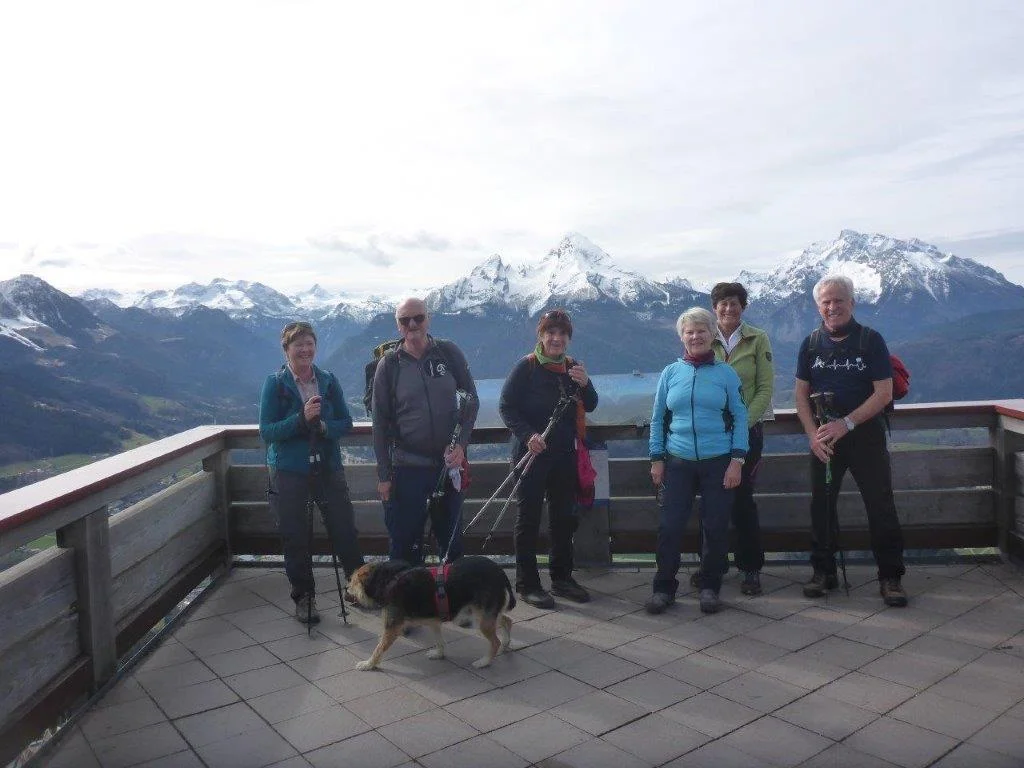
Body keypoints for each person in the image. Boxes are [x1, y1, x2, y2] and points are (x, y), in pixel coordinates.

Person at [795, 275, 907, 607]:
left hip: (865, 436)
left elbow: (884, 393)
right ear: (819, 306)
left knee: (880, 505)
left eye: (839, 300)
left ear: (852, 303)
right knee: (821, 506)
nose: (833, 307)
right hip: (824, 438)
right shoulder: (811, 343)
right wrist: (811, 436)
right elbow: (800, 395)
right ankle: (823, 572)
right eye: (826, 302)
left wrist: (846, 423)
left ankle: (891, 577)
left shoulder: (870, 341)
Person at [259, 321, 364, 624]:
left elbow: (346, 422)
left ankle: (358, 589)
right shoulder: (275, 384)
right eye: (298, 345)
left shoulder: (328, 381)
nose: (305, 350)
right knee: (295, 536)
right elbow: (267, 431)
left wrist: (324, 427)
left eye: (309, 344)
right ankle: (304, 598)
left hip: (327, 467)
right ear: (286, 349)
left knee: (344, 530)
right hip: (290, 471)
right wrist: (301, 420)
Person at [647, 307, 748, 615]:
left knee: (716, 526)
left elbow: (740, 417)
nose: (695, 336)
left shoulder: (726, 374)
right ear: (682, 337)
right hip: (677, 460)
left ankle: (710, 586)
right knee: (670, 527)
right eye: (689, 332)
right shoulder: (670, 373)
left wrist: (737, 461)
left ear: (712, 335)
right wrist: (656, 458)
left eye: (701, 331)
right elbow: (658, 418)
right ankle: (664, 588)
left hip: (718, 460)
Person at [499, 309, 598, 608]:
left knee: (563, 519)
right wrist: (528, 435)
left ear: (568, 338)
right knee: (528, 518)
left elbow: (590, 405)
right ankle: (527, 583)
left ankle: (561, 578)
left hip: (564, 454)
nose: (556, 338)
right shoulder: (526, 368)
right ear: (540, 336)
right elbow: (506, 407)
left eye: (562, 334)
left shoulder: (573, 367)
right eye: (550, 333)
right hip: (531, 454)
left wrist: (586, 383)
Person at [372, 297, 479, 566]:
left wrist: (461, 445)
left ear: (428, 319)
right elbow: (379, 424)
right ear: (398, 326)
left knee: (451, 545)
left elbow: (471, 400)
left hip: (447, 467)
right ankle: (404, 605)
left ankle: (452, 602)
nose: (412, 324)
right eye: (404, 320)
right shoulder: (389, 365)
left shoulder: (449, 353)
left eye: (418, 318)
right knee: (405, 545)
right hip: (407, 468)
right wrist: (384, 476)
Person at [689, 282, 774, 596]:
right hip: (711, 436)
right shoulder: (702, 338)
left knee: (742, 502)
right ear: (714, 308)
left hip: (747, 434)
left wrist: (742, 425)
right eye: (722, 304)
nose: (728, 309)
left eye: (734, 303)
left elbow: (765, 389)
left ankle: (750, 568)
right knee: (710, 503)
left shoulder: (757, 338)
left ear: (743, 306)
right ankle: (712, 565)